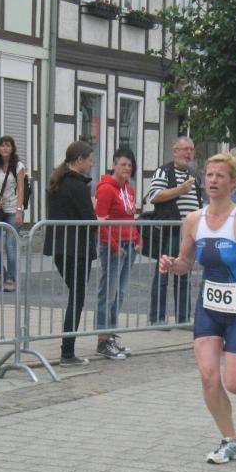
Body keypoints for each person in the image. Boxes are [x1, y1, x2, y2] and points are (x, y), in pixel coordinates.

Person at [158, 153, 236, 464]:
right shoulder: (193, 221)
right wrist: (172, 264)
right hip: (209, 306)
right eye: (209, 175)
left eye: (220, 176)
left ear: (233, 182)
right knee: (208, 376)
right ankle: (229, 440)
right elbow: (186, 263)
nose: (213, 180)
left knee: (235, 384)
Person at [43, 141, 97, 367]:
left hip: (60, 248)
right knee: (77, 298)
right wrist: (96, 213)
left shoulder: (57, 181)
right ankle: (67, 352)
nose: (91, 164)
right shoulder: (77, 185)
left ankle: (68, 350)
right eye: (89, 159)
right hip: (77, 249)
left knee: (75, 295)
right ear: (79, 160)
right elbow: (89, 219)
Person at [147, 136, 201, 325]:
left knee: (184, 274)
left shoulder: (194, 174)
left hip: (189, 232)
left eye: (191, 149)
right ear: (175, 151)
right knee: (163, 272)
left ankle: (183, 318)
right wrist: (180, 190)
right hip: (170, 230)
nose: (189, 153)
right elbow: (153, 196)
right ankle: (157, 318)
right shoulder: (164, 171)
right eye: (185, 149)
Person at [94, 148, 140, 360]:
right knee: (108, 291)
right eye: (123, 164)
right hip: (114, 246)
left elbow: (131, 217)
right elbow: (100, 222)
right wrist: (113, 246)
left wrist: (138, 239)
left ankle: (110, 336)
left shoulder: (129, 189)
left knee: (120, 292)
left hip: (129, 245)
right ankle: (102, 339)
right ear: (114, 165)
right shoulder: (106, 189)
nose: (127, 168)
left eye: (130, 165)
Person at [0, 135, 26, 292]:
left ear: (12, 148)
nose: (5, 148)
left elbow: (21, 189)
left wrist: (19, 210)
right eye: (2, 145)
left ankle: (11, 278)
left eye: (8, 145)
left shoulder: (18, 166)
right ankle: (0, 273)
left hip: (13, 210)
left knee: (10, 244)